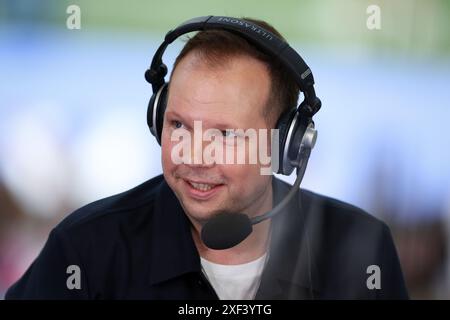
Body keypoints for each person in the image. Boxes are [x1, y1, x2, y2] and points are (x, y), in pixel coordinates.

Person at [6, 16, 408, 300]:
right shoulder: (85, 250)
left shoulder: (362, 252)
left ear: (285, 145)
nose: (194, 157)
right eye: (178, 125)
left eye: (226, 134)